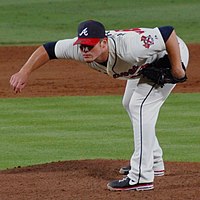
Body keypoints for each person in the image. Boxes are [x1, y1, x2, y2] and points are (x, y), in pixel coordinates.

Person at [10, 20, 189, 191]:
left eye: (90, 45)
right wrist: (24, 71)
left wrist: (177, 69)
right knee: (128, 103)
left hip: (170, 54)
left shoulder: (130, 47)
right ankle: (154, 161)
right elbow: (48, 49)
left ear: (104, 43)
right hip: (142, 65)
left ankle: (141, 176)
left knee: (139, 105)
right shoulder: (79, 50)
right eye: (82, 45)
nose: (85, 50)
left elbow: (167, 33)